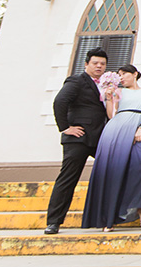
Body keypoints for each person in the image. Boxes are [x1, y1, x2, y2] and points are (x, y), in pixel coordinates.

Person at [81, 64, 141, 231]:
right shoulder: (118, 92)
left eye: (124, 74)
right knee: (114, 171)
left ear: (135, 74)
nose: (121, 77)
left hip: (137, 129)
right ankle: (109, 218)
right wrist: (108, 98)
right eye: (119, 75)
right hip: (116, 130)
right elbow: (111, 115)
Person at [45, 48, 110, 235]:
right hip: (78, 138)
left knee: (113, 171)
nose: (99, 66)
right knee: (68, 179)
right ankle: (54, 222)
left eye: (103, 64)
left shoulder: (106, 85)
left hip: (99, 138)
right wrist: (65, 128)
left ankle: (108, 216)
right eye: (95, 63)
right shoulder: (76, 80)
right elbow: (60, 102)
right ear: (86, 64)